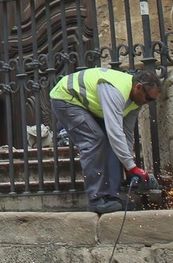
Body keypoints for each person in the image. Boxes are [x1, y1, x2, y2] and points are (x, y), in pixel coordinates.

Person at [48, 66, 163, 214]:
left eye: (152, 100)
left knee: (111, 142)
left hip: (88, 105)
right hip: (66, 98)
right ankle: (96, 199)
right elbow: (115, 131)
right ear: (139, 87)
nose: (149, 103)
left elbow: (125, 133)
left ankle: (112, 197)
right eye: (148, 98)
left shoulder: (136, 101)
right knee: (94, 140)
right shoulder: (116, 91)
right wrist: (131, 167)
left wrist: (129, 165)